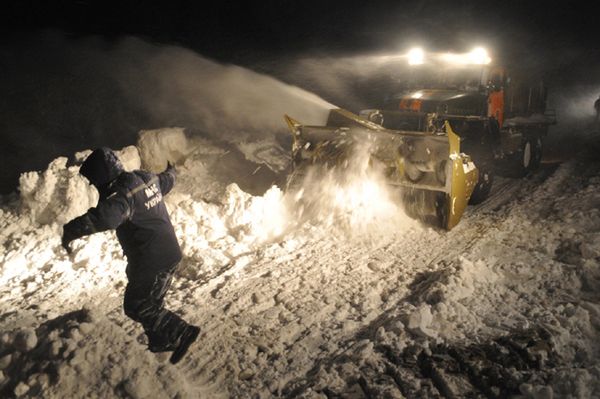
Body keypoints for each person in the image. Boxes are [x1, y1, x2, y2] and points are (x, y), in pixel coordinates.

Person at [61, 147, 199, 364]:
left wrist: (70, 231)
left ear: (101, 177)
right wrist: (172, 171)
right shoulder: (144, 178)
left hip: (152, 259)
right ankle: (161, 341)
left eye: (93, 180)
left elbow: (104, 219)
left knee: (136, 305)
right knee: (151, 303)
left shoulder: (121, 196)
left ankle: (182, 332)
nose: (94, 186)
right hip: (167, 252)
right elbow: (166, 181)